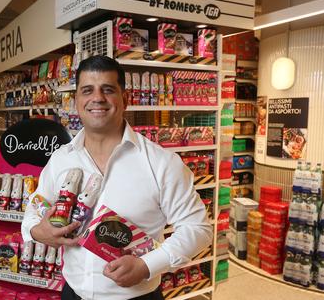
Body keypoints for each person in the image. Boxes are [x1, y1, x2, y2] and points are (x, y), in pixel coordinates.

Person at [21, 56, 213, 300]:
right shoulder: (61, 159)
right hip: (72, 294)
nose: (97, 98)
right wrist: (38, 231)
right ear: (77, 101)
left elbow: (198, 228)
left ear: (125, 99)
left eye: (108, 90)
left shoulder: (161, 163)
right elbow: (36, 205)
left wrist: (147, 265)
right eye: (87, 90)